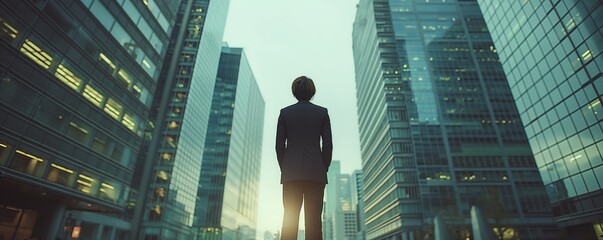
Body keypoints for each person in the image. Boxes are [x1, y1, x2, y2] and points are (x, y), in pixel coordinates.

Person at [276, 76, 333, 240]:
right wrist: (323, 167)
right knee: (314, 223)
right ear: (312, 92)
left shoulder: (284, 113)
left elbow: (279, 146)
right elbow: (327, 145)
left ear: (294, 92)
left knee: (289, 221)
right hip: (316, 173)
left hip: (290, 174)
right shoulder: (322, 112)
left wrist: (285, 167)